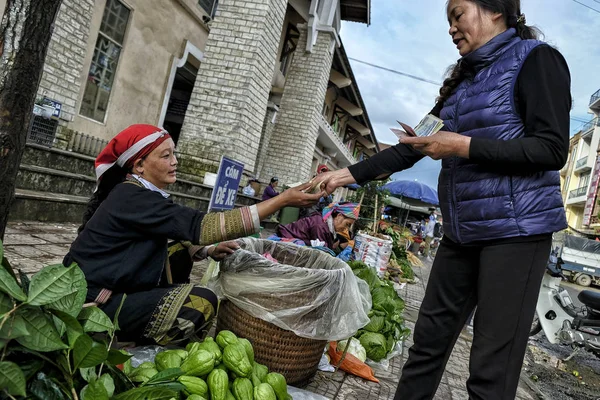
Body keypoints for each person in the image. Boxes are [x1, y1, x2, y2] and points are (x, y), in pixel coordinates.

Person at [316, 0, 570, 398]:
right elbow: (412, 147)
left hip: (516, 234)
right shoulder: (461, 84)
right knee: (426, 347)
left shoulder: (537, 60)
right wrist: (343, 175)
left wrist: (461, 146)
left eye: (457, 15)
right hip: (462, 231)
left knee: (490, 370)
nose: (451, 28)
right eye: (449, 20)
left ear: (495, 10)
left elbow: (551, 149)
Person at [63, 124, 322, 346]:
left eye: (173, 154)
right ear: (139, 165)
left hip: (107, 287)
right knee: (201, 302)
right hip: (92, 303)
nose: (175, 161)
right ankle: (117, 337)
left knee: (178, 251)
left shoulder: (139, 193)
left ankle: (150, 309)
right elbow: (202, 226)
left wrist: (208, 250)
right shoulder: (131, 196)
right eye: (166, 156)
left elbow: (179, 232)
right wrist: (282, 200)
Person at [276, 202, 360, 250]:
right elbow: (321, 252)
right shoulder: (320, 226)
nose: (346, 228)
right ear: (339, 216)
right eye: (347, 224)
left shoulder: (326, 224)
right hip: (283, 243)